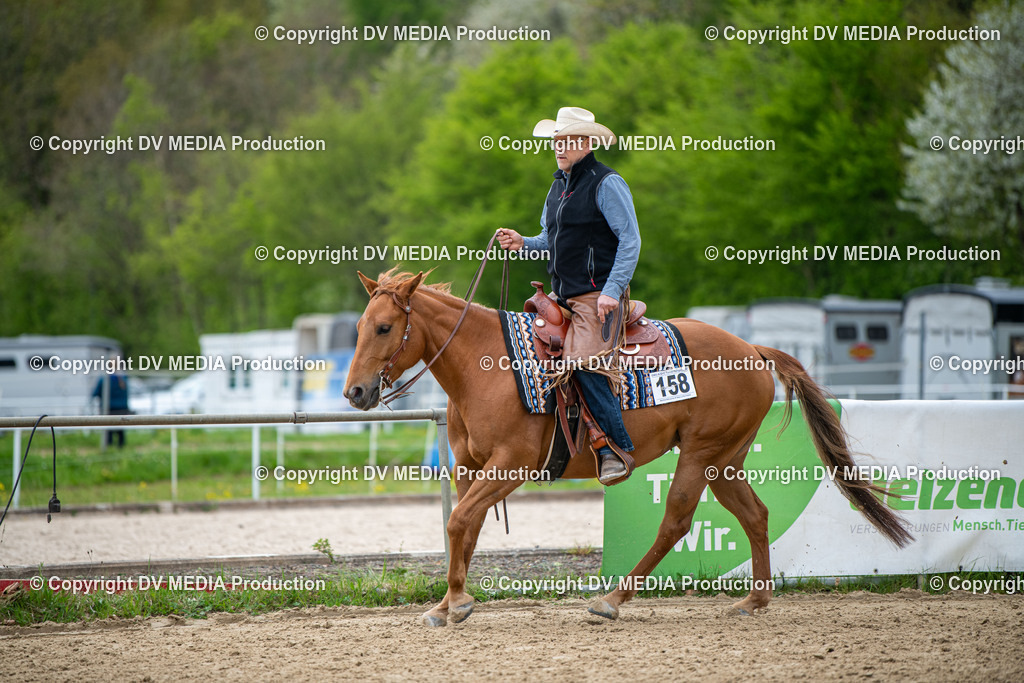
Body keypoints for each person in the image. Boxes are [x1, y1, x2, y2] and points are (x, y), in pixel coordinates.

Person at [497, 106, 641, 484]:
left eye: (568, 140)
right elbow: (549, 241)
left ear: (588, 143)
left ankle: (614, 448)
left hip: (596, 297)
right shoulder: (557, 186)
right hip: (562, 296)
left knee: (583, 362)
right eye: (556, 141)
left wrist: (612, 291)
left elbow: (630, 240)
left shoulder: (607, 183)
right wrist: (523, 243)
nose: (559, 147)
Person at [92, 373, 130, 447]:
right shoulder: (124, 379)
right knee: (120, 430)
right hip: (122, 408)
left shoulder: (103, 379)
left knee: (108, 429)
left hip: (108, 408)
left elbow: (95, 393)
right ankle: (121, 447)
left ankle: (109, 447)